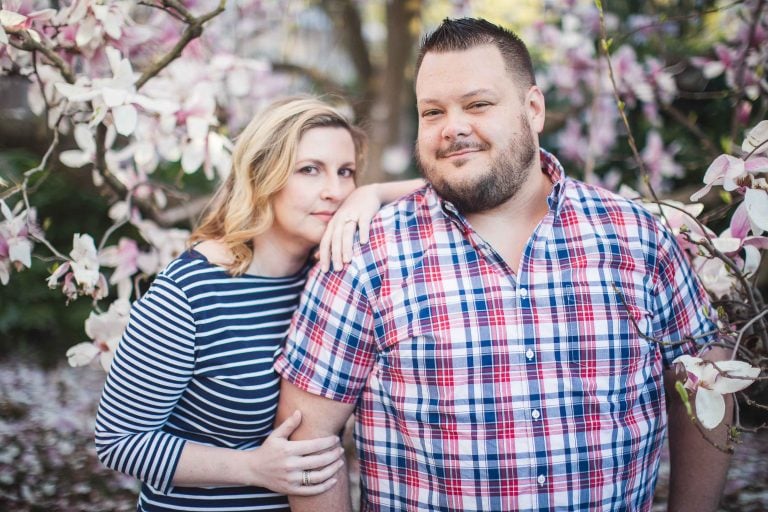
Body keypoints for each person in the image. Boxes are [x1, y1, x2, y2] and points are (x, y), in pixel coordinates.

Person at [275, 18, 733, 512]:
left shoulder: (636, 238)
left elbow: (705, 385)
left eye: (478, 104)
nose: (453, 127)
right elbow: (309, 441)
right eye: (433, 112)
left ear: (532, 108)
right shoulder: (367, 255)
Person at [94, 96, 423, 512]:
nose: (336, 191)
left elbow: (452, 188)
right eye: (310, 170)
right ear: (262, 175)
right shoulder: (191, 293)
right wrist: (252, 467)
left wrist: (373, 193)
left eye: (346, 173)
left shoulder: (328, 275)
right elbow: (119, 442)